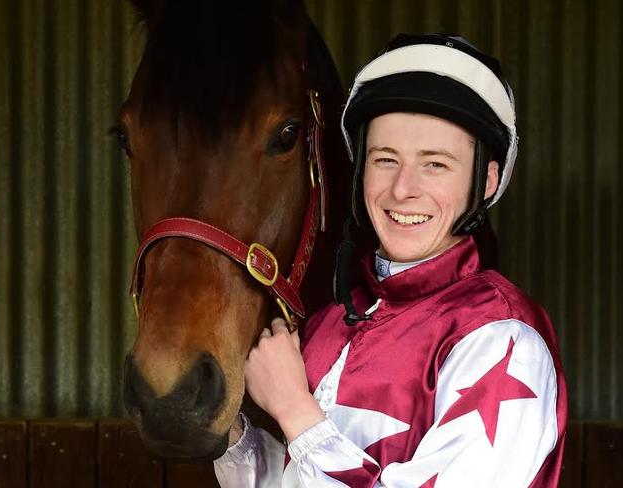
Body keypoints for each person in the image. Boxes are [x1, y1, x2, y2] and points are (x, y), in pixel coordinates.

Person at [214, 33, 567, 487]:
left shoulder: (502, 339)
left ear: (486, 181)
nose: (403, 189)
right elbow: (295, 479)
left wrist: (293, 408)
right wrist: (232, 436)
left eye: (435, 164)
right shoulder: (329, 325)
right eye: (385, 159)